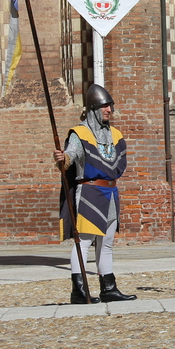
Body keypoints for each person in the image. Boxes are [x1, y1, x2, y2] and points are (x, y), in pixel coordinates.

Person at [53, 84, 138, 304]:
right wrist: (64, 159)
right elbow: (71, 154)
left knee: (107, 242)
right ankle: (79, 291)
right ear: (93, 109)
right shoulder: (79, 133)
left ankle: (108, 288)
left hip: (110, 191)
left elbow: (119, 162)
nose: (109, 109)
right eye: (104, 106)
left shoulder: (116, 135)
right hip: (89, 192)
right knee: (84, 241)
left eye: (110, 105)